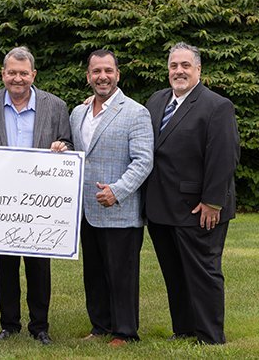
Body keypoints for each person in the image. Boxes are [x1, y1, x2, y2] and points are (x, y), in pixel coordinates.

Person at [0, 46, 73, 345]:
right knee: (5, 264)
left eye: (23, 73)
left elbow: (67, 141)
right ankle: (9, 324)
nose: (18, 78)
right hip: (0, 198)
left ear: (33, 75)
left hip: (41, 200)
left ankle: (40, 326)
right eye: (12, 73)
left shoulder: (55, 106)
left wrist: (61, 146)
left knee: (39, 264)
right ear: (3, 74)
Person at [144, 42, 240, 345]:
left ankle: (210, 336)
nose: (179, 71)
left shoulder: (216, 105)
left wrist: (213, 202)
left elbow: (224, 156)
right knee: (174, 274)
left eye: (185, 65)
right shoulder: (156, 101)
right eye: (174, 66)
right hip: (161, 207)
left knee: (203, 272)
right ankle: (184, 329)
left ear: (198, 69)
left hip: (199, 208)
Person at [70, 50, 153, 347]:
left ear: (118, 74)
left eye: (107, 70)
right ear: (88, 76)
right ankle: (101, 325)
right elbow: (78, 154)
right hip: (87, 210)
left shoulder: (135, 112)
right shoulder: (78, 112)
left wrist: (117, 191)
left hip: (120, 209)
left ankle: (125, 331)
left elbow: (143, 161)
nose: (101, 76)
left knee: (121, 274)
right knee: (94, 272)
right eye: (96, 71)